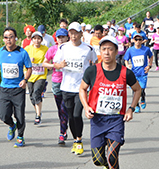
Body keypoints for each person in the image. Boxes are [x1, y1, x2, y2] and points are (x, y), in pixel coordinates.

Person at [79, 36, 141, 169]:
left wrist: (131, 108)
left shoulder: (125, 72)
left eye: (110, 49)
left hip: (116, 120)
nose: (106, 52)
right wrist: (86, 106)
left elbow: (137, 89)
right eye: (104, 49)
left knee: (112, 157)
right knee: (97, 160)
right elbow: (82, 89)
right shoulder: (92, 71)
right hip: (97, 120)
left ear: (116, 51)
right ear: (100, 51)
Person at [54, 22, 98, 155]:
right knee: (70, 117)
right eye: (71, 33)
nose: (73, 36)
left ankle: (79, 140)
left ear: (80, 34)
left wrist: (92, 78)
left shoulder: (88, 49)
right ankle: (75, 139)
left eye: (76, 33)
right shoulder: (63, 48)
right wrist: (60, 65)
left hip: (81, 88)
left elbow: (95, 63)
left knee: (76, 115)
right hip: (66, 87)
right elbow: (55, 64)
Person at [0, 27, 32, 148]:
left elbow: (29, 68)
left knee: (19, 115)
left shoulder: (22, 52)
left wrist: (25, 80)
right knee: (2, 115)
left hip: (18, 89)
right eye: (6, 37)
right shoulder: (0, 52)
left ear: (15, 38)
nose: (8, 40)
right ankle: (12, 125)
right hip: (4, 88)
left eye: (11, 37)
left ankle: (20, 136)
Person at [43, 28, 69, 145]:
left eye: (63, 37)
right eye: (59, 37)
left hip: (69, 81)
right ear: (56, 39)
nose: (61, 39)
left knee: (65, 108)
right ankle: (63, 128)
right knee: (60, 109)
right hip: (56, 81)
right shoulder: (52, 49)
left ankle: (62, 132)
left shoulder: (71, 49)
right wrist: (55, 65)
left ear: (67, 38)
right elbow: (44, 63)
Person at [124, 34, 153, 113]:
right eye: (136, 39)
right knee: (134, 90)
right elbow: (126, 59)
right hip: (134, 73)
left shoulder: (146, 49)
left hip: (143, 73)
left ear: (142, 41)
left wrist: (149, 66)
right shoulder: (130, 50)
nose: (138, 41)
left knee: (142, 89)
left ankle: (143, 98)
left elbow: (151, 56)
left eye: (139, 39)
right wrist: (127, 65)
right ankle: (136, 105)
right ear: (133, 40)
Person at [24, 31, 48, 125]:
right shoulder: (27, 49)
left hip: (41, 75)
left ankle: (38, 116)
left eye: (39, 39)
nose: (37, 41)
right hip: (30, 75)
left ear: (41, 40)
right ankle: (38, 111)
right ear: (32, 40)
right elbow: (23, 60)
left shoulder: (45, 49)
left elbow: (49, 58)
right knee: (32, 97)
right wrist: (29, 61)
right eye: (35, 38)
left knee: (36, 93)